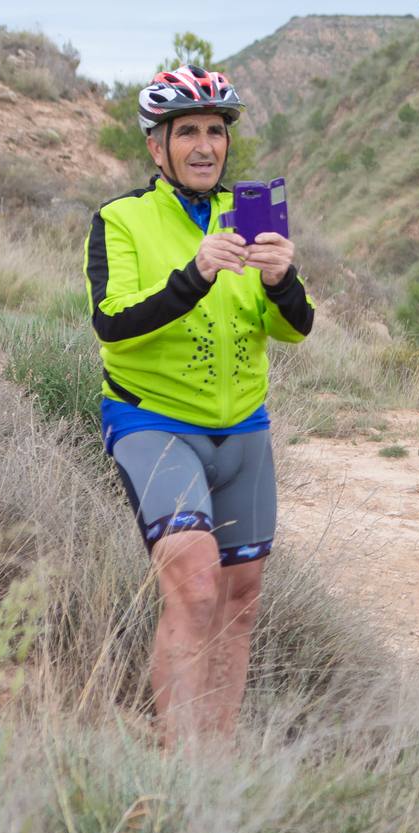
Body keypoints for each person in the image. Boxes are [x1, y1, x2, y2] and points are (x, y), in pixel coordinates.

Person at [84, 65, 313, 749]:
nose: (205, 145)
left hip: (243, 427)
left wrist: (280, 279)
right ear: (158, 146)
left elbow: (295, 328)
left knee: (240, 599)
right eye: (188, 132)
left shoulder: (246, 216)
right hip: (150, 420)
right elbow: (112, 321)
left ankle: (213, 761)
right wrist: (196, 274)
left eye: (215, 131)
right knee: (194, 582)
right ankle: (176, 763)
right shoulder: (120, 220)